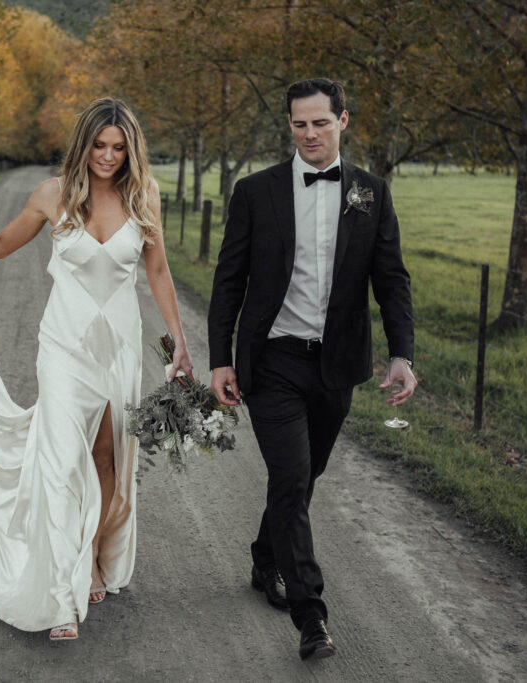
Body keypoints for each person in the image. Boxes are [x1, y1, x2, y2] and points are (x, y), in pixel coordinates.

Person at [0, 97, 193, 642]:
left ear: (131, 150)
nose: (108, 156)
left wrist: (180, 349)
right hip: (64, 348)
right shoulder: (53, 194)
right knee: (58, 462)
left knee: (106, 458)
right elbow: (2, 245)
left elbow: (159, 270)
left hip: (118, 346)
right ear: (84, 143)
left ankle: (92, 557)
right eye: (99, 145)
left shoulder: (143, 194)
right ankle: (57, 599)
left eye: (119, 148)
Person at [207, 78, 416, 661]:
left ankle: (265, 556)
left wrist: (402, 354)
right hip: (270, 361)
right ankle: (310, 613)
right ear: (290, 126)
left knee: (303, 477)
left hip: (336, 365)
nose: (309, 134)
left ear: (343, 121)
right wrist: (221, 358)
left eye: (320, 123)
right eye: (299, 124)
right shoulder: (255, 191)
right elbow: (229, 280)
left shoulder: (371, 193)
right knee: (293, 477)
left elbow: (391, 279)